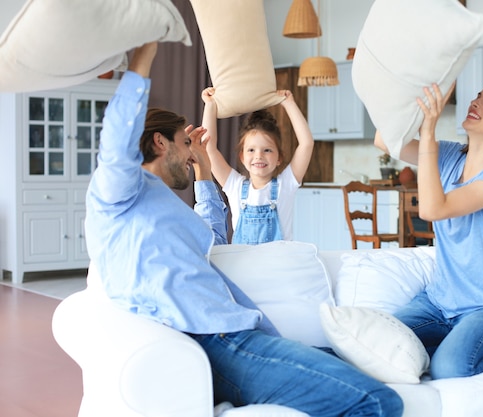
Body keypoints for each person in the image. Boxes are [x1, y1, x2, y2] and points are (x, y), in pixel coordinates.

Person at [85, 42, 403, 416]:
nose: (192, 153)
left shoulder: (165, 204)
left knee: (357, 361)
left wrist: (203, 169)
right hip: (220, 338)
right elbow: (115, 146)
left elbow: (214, 239)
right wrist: (141, 62)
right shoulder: (120, 192)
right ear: (160, 142)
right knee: (380, 402)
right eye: (186, 144)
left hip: (242, 330)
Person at [375, 78, 483, 380]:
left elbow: (432, 209)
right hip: (437, 303)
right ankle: (443, 346)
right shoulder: (451, 156)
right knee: (374, 345)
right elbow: (383, 140)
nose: (475, 101)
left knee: (448, 368)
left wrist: (428, 132)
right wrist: (413, 88)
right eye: (478, 95)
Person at [202, 86, 314, 244]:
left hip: (277, 263)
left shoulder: (286, 185)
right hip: (243, 263)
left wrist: (289, 104)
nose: (259, 156)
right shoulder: (235, 186)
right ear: (242, 156)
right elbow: (208, 148)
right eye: (251, 150)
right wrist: (210, 105)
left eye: (267, 150)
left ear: (279, 158)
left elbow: (306, 143)